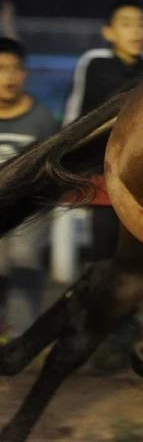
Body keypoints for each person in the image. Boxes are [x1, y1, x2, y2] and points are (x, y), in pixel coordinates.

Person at [63, 0, 143, 262]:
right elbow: (76, 116)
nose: (136, 31)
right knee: (103, 253)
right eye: (127, 24)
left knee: (138, 259)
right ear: (109, 32)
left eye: (142, 25)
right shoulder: (94, 63)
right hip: (102, 171)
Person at [0, 37, 60, 334]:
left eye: (15, 69)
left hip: (27, 211)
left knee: (22, 253)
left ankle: (20, 335)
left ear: (25, 73)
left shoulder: (43, 118)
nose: (9, 76)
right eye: (2, 69)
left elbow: (54, 169)